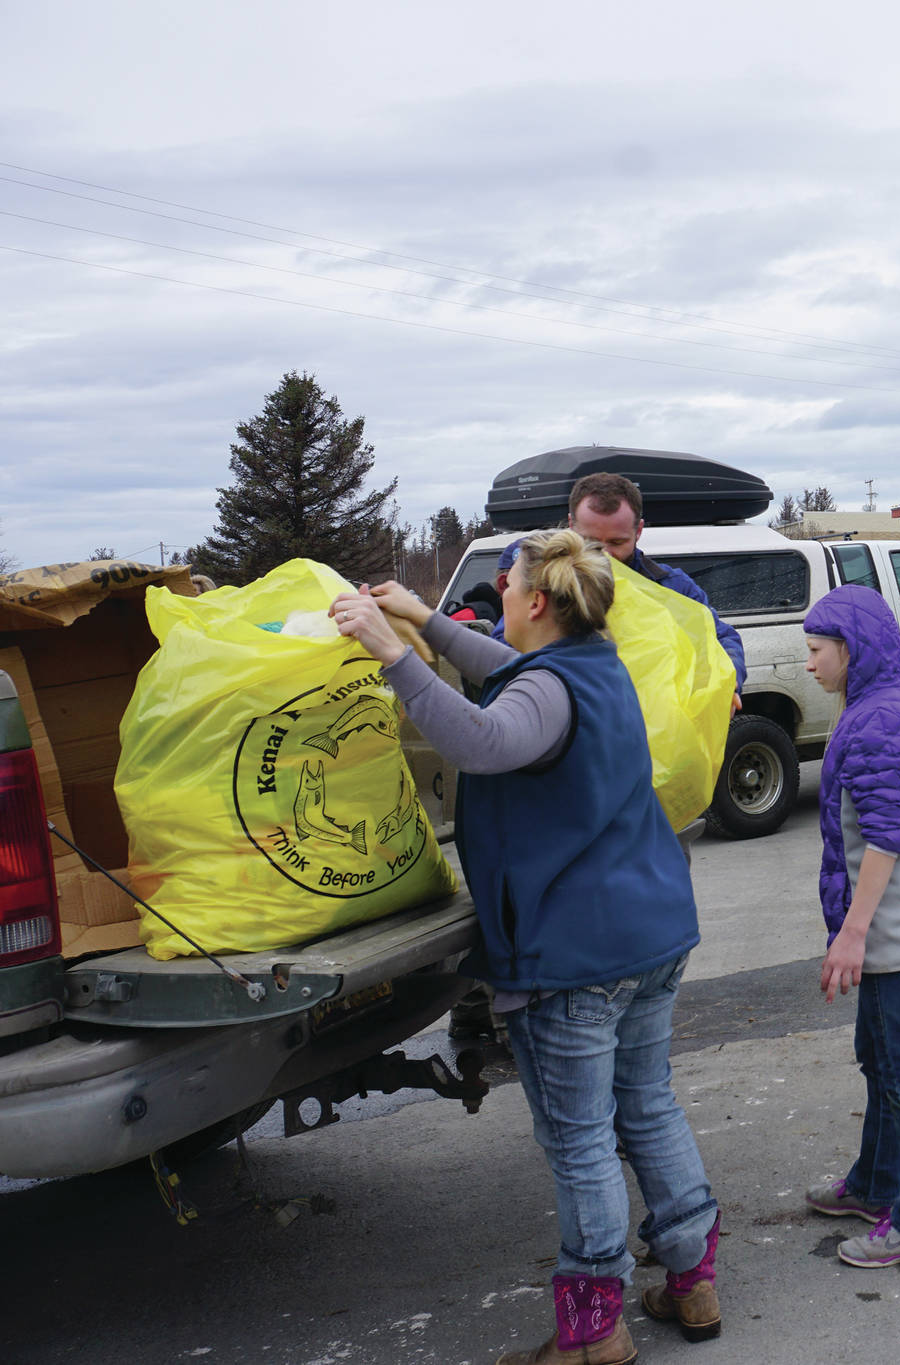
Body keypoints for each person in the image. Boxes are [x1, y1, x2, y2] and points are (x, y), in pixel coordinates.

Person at [332, 530, 723, 1363]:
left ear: (536, 601)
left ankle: (591, 1333)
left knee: (580, 1138)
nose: (498, 598)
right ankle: (693, 1281)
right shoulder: (592, 662)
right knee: (646, 1105)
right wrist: (423, 623)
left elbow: (485, 738)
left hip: (577, 957)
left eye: (505, 587)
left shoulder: (547, 684)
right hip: (650, 931)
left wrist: (389, 653)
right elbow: (510, 675)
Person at [798, 585, 900, 1267]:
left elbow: (889, 837)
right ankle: (875, 1184)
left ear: (849, 649)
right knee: (879, 1055)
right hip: (885, 923)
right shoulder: (873, 707)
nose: (807, 663)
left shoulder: (879, 719)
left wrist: (854, 931)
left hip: (889, 926)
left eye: (814, 650)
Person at [564, 471, 747, 702]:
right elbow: (509, 647)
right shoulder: (546, 587)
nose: (604, 555)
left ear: (638, 531)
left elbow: (720, 639)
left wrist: (728, 682)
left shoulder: (672, 588)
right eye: (590, 542)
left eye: (617, 542)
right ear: (571, 526)